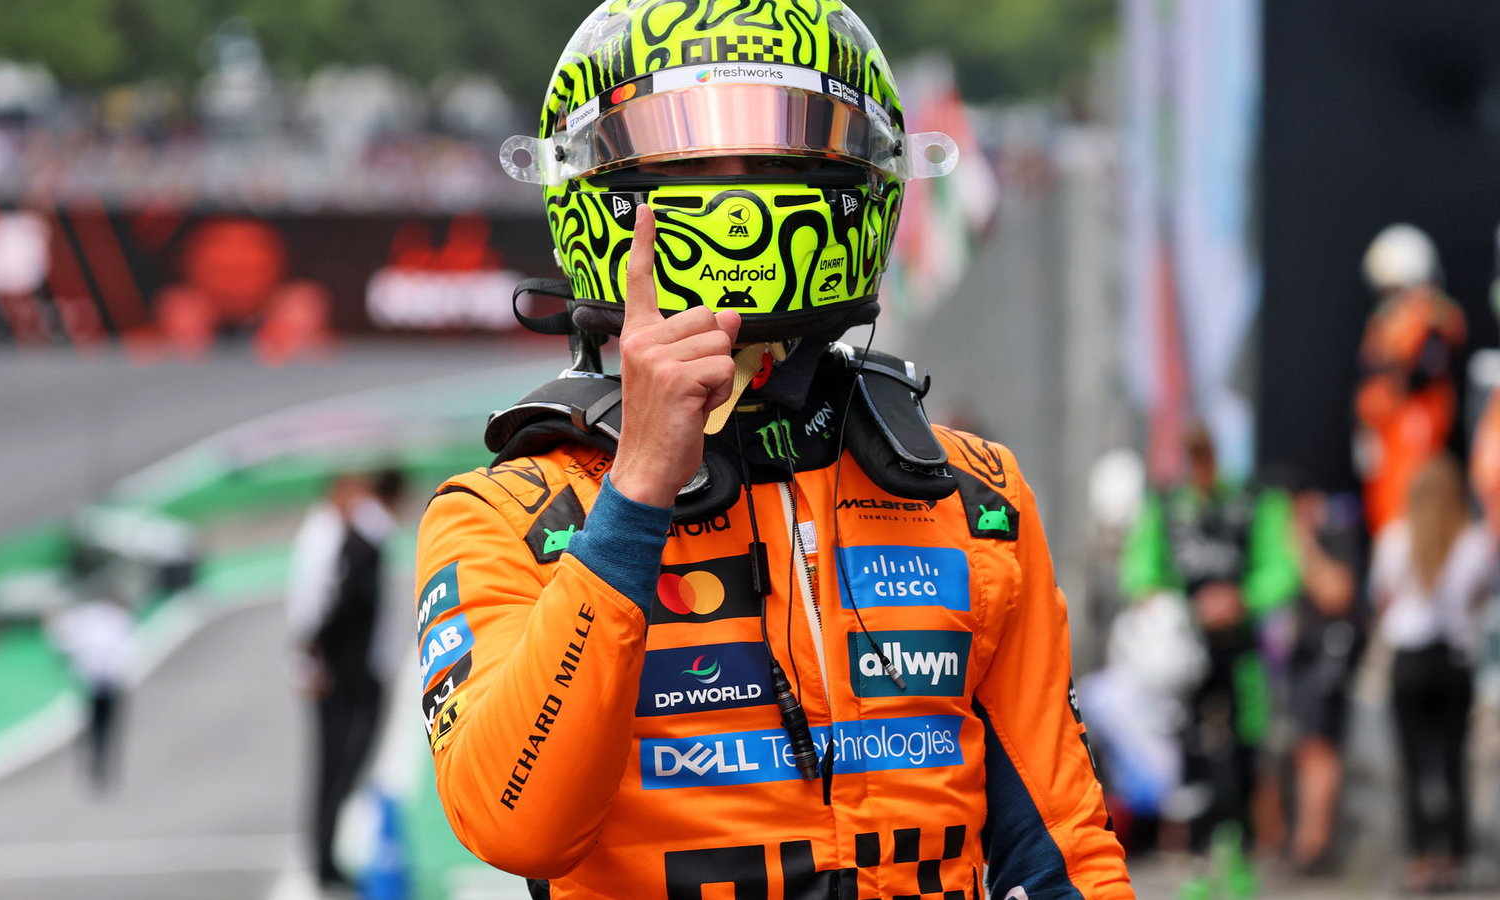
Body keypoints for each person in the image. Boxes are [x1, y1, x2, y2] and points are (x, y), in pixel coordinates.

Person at [414, 3, 1132, 898]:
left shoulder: (974, 498)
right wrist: (635, 494)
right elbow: (514, 824)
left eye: (775, 156)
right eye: (689, 159)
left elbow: (1063, 854)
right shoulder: (505, 519)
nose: (735, 194)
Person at [1119, 424, 1299, 891]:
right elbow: (1139, 567)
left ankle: (1237, 856)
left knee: (1245, 749)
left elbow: (1283, 568)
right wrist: (1157, 598)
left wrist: (1243, 599)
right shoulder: (1166, 504)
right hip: (1185, 655)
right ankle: (1199, 858)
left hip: (1241, 652)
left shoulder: (1257, 501)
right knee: (1190, 752)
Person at [1368, 454, 1492, 894]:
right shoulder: (1473, 541)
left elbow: (1382, 596)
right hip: (1453, 661)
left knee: (1413, 762)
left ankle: (1421, 855)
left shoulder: (1394, 539)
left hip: (1410, 659)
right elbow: (1480, 596)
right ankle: (1452, 855)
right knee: (1453, 761)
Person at [289, 468, 403, 891]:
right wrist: (306, 663)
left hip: (343, 668)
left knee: (337, 767)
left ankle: (324, 856)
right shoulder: (325, 538)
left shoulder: (340, 532)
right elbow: (312, 606)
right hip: (341, 673)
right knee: (338, 765)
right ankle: (323, 859)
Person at [1354, 224, 1466, 537]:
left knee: (1413, 518)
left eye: (1394, 290)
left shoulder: (1432, 321)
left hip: (1415, 440)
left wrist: (1391, 385)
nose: (1390, 301)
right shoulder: (1382, 325)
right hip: (1386, 446)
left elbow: (1422, 374)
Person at [1282, 485, 1366, 874]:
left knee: (1320, 751)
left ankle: (1315, 847)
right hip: (1305, 662)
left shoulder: (1335, 536)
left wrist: (1303, 543)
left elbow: (1336, 592)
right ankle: (1305, 843)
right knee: (1307, 749)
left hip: (1327, 660)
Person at [46, 594, 135, 792]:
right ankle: (99, 767)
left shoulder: (87, 619)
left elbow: (62, 641)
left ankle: (97, 767)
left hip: (95, 682)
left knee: (97, 727)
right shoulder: (114, 620)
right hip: (103, 682)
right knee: (102, 727)